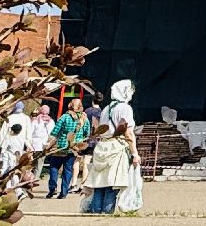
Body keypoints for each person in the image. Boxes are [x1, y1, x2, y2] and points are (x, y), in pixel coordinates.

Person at [85, 86, 141, 216]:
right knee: (112, 183)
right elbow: (128, 133)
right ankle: (107, 212)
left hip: (102, 146)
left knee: (100, 183)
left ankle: (95, 211)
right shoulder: (125, 108)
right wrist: (134, 153)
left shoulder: (106, 108)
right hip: (116, 146)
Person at [45, 98, 88, 200]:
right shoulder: (84, 119)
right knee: (68, 170)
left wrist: (48, 144)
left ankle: (52, 188)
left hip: (61, 146)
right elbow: (87, 132)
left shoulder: (64, 117)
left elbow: (55, 132)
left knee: (54, 167)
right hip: (74, 147)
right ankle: (63, 192)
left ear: (70, 106)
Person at [0, 105, 31, 189]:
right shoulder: (26, 118)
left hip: (8, 145)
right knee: (15, 167)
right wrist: (29, 145)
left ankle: (5, 186)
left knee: (5, 167)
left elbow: (2, 133)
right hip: (19, 147)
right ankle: (13, 187)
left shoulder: (10, 117)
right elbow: (28, 133)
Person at [77, 92, 104, 187]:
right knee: (87, 162)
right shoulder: (102, 113)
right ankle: (83, 183)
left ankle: (73, 184)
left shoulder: (87, 111)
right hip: (95, 139)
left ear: (92, 100)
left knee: (77, 160)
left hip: (83, 138)